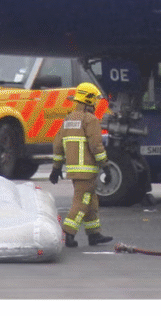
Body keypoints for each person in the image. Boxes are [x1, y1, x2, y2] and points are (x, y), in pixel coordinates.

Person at [50, 82, 113, 248]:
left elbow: (57, 144)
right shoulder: (90, 120)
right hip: (87, 171)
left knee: (91, 202)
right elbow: (96, 146)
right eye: (94, 101)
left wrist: (56, 168)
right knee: (82, 202)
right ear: (89, 100)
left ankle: (94, 234)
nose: (95, 105)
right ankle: (68, 233)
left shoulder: (68, 119)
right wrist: (105, 165)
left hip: (74, 171)